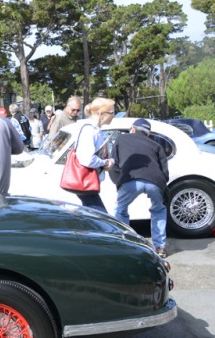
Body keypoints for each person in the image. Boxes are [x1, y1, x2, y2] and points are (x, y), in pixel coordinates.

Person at [109, 118, 170, 257]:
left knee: (121, 210)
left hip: (130, 180)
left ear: (133, 129)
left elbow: (114, 165)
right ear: (148, 134)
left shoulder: (121, 139)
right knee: (159, 210)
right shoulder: (156, 146)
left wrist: (119, 183)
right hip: (155, 180)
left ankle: (123, 244)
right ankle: (160, 247)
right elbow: (164, 172)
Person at [71, 97, 116, 213]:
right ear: (101, 114)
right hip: (85, 183)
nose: (113, 115)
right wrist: (105, 162)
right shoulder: (90, 130)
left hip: (88, 183)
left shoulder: (94, 129)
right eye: (112, 112)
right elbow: (87, 159)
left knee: (93, 218)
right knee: (102, 220)